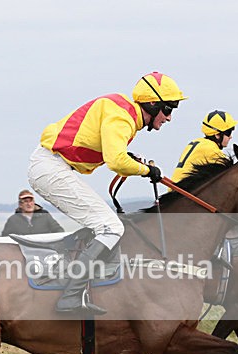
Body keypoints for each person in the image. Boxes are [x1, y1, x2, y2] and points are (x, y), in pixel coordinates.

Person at [28, 72, 186, 314]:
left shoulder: (123, 111)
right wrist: (147, 170)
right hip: (51, 168)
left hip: (52, 166)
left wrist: (134, 161)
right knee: (111, 227)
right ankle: (70, 295)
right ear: (152, 105)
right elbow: (117, 161)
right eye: (168, 109)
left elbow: (113, 151)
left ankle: (73, 272)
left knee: (102, 223)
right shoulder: (123, 117)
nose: (169, 117)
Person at [171, 110, 238, 182]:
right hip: (183, 191)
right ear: (217, 135)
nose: (230, 137)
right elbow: (230, 173)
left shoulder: (196, 142)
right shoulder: (211, 149)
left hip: (174, 188)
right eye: (229, 133)